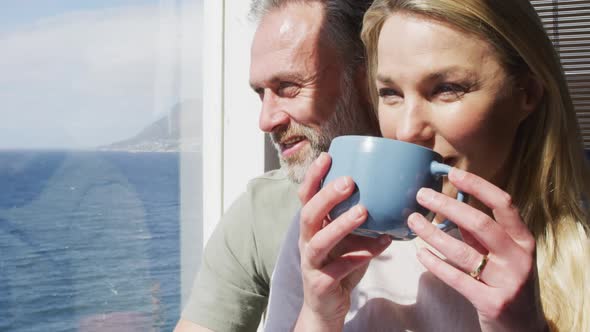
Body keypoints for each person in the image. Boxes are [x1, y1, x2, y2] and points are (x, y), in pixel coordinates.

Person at [264, 0, 590, 331]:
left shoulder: (580, 242)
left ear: (527, 93)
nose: (406, 131)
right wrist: (319, 315)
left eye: (446, 89)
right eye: (390, 93)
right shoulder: (329, 237)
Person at [174, 1, 380, 331]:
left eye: (288, 87)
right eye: (261, 93)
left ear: (367, 78)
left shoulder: (459, 194)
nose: (266, 120)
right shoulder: (263, 212)